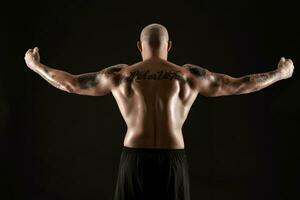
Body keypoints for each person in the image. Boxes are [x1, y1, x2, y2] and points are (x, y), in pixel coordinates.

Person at [24, 23, 294, 200]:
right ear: (169, 46)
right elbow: (238, 86)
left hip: (134, 160)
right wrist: (279, 74)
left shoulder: (121, 75)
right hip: (172, 160)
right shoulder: (189, 76)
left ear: (140, 46)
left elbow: (71, 84)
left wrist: (36, 66)